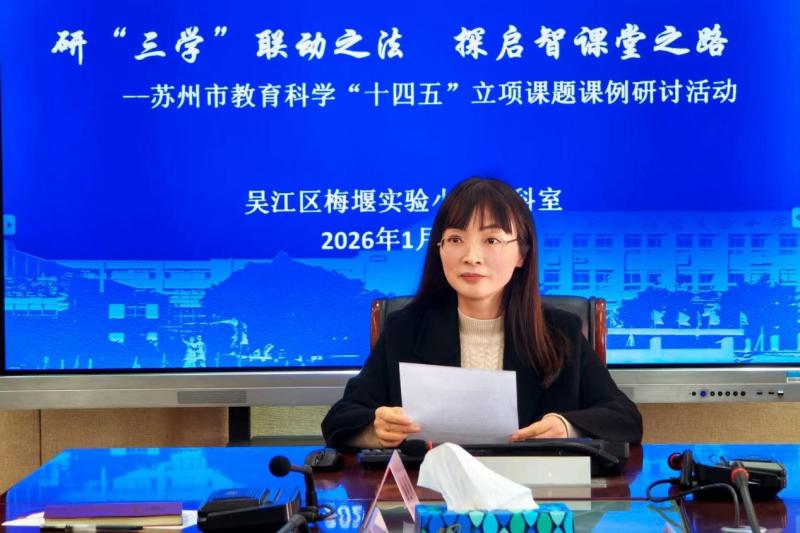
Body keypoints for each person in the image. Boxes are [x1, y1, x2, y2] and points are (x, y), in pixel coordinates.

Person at [321, 177, 642, 450]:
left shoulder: (561, 331)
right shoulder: (406, 328)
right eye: (456, 239)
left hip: (536, 494)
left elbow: (626, 419)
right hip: (433, 494)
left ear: (522, 254)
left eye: (491, 239)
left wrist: (566, 427)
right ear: (439, 249)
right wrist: (375, 430)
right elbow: (340, 419)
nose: (472, 256)